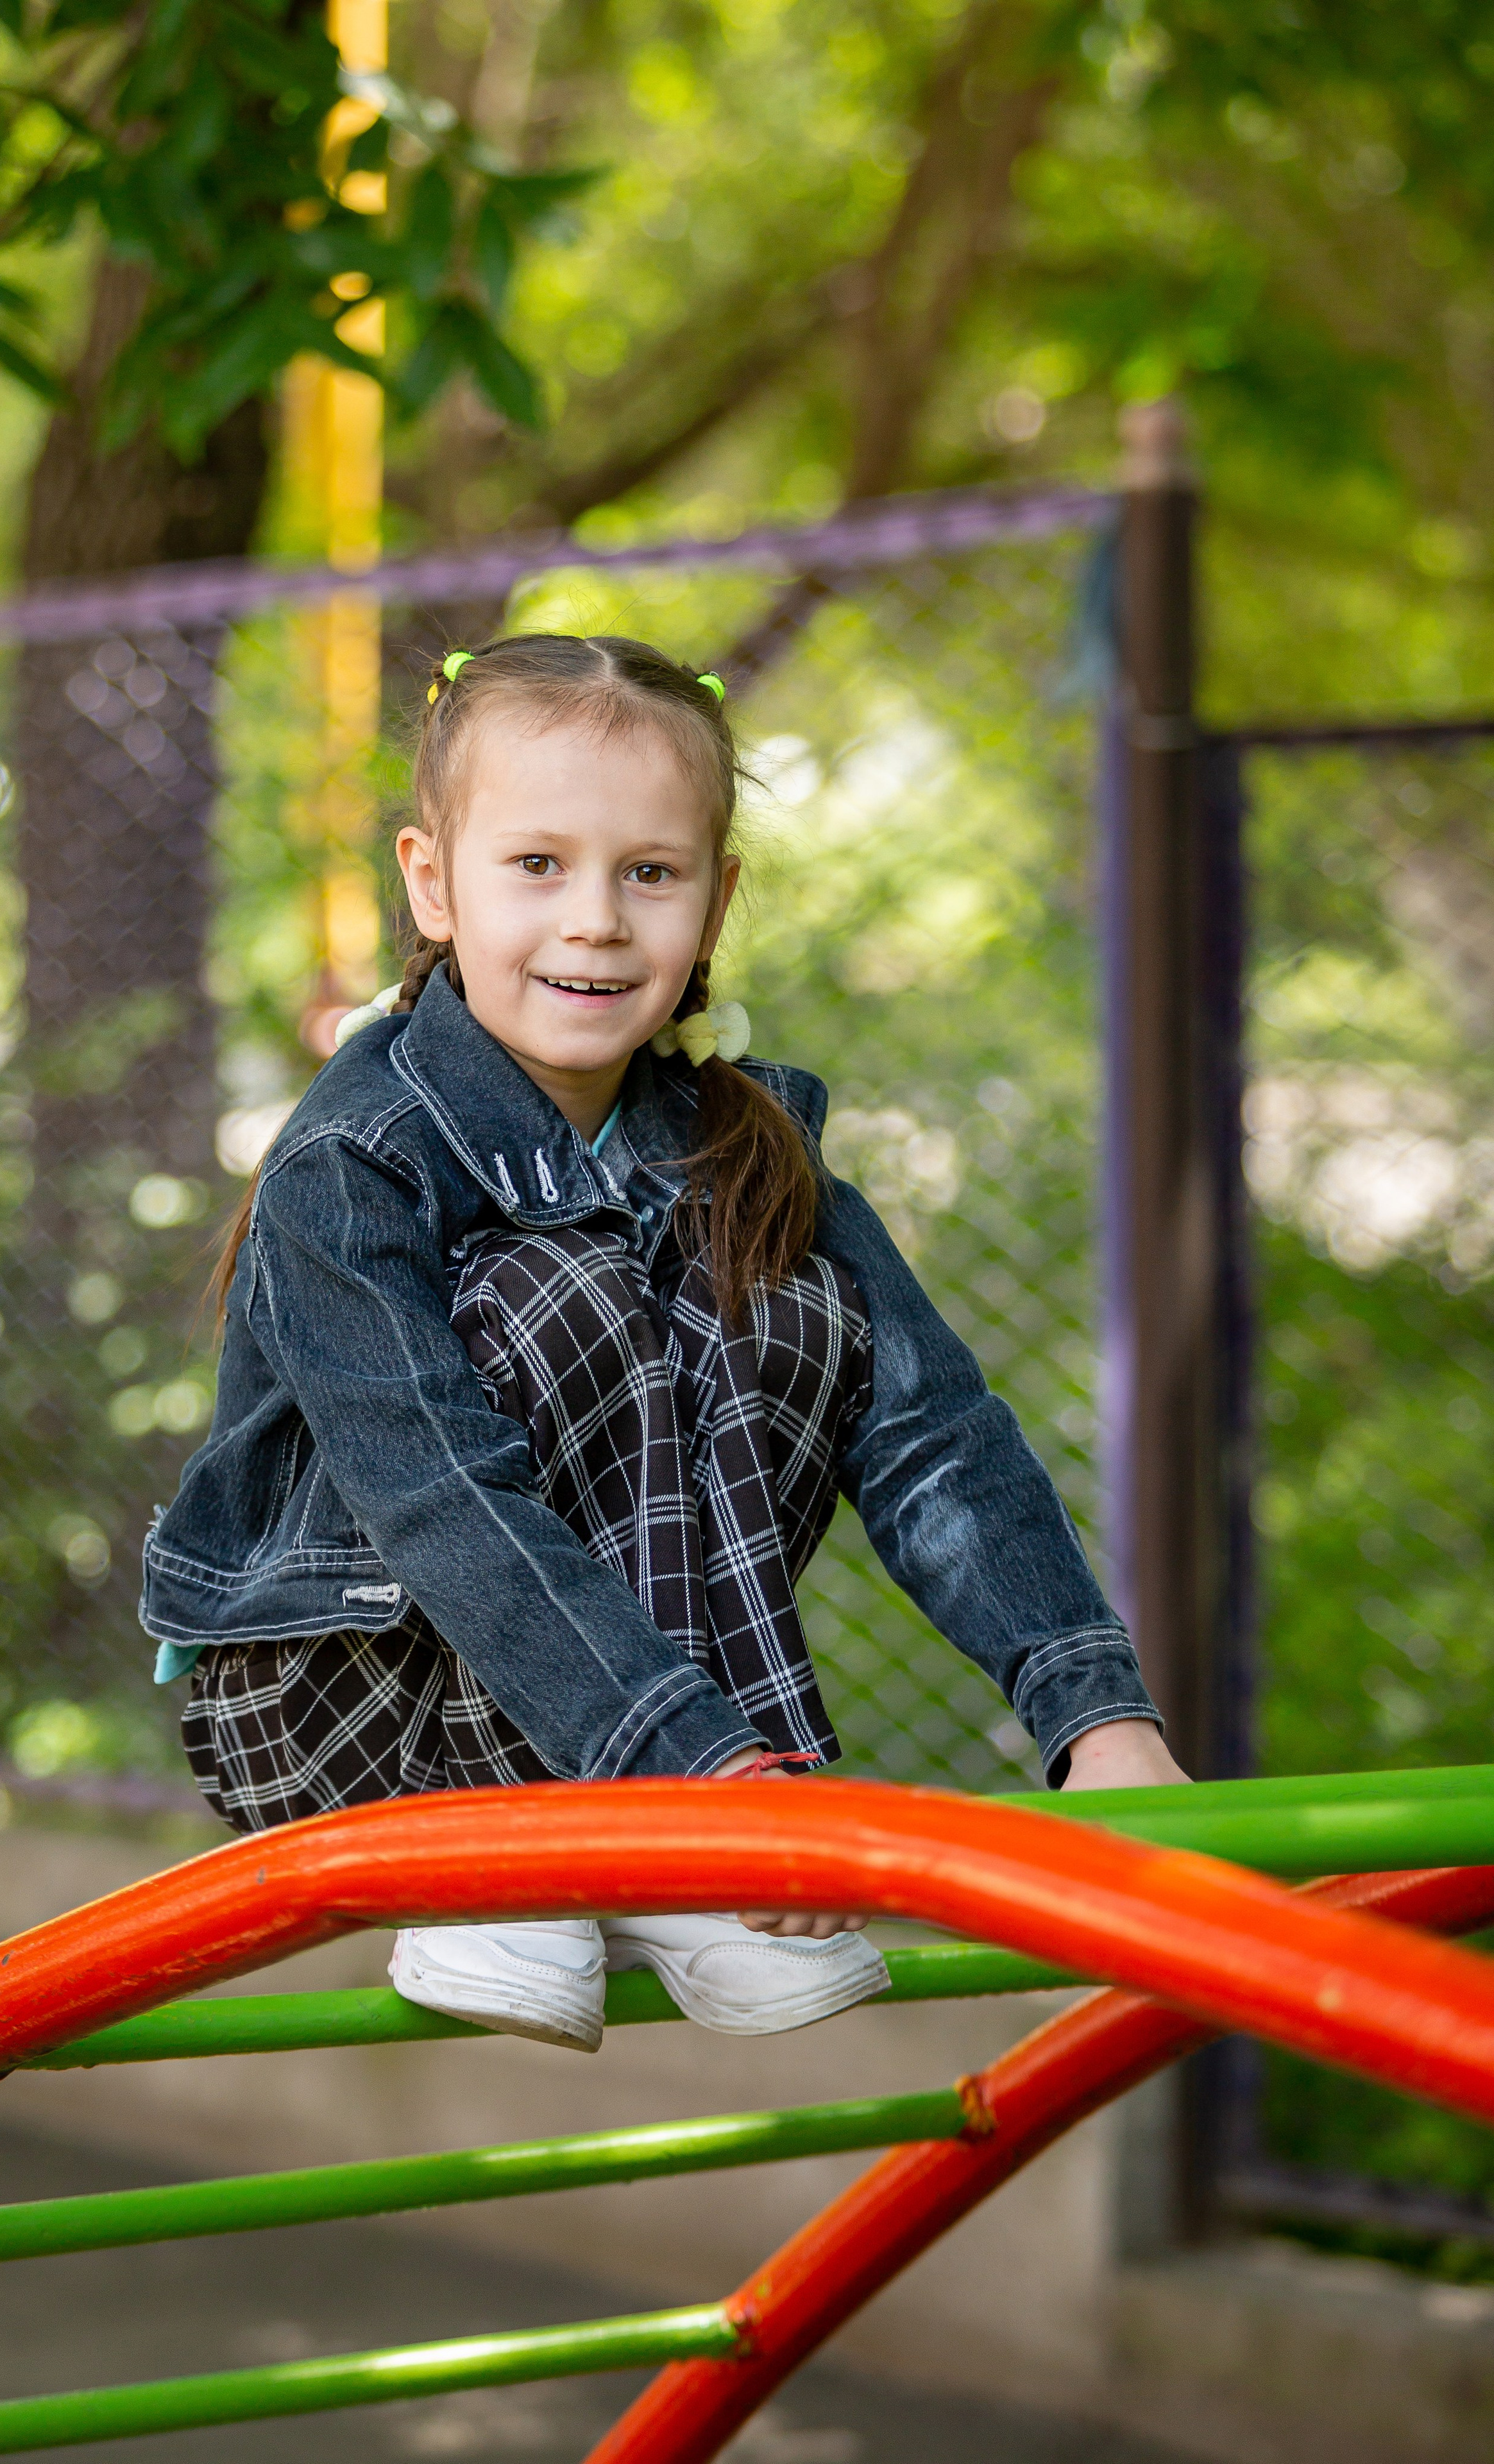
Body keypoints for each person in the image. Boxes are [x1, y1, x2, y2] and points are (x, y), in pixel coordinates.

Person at [140, 633, 1184, 2055]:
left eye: (649, 871)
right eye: (536, 866)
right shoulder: (355, 1164)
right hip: (339, 1707)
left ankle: (631, 1849)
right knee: (559, 1290)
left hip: (646, 1720)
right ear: (431, 881)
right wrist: (717, 1770)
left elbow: (933, 1439)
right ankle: (530, 1836)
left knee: (791, 1290)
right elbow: (446, 1501)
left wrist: (1090, 1714)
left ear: (714, 900)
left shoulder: (741, 1142)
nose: (596, 922)